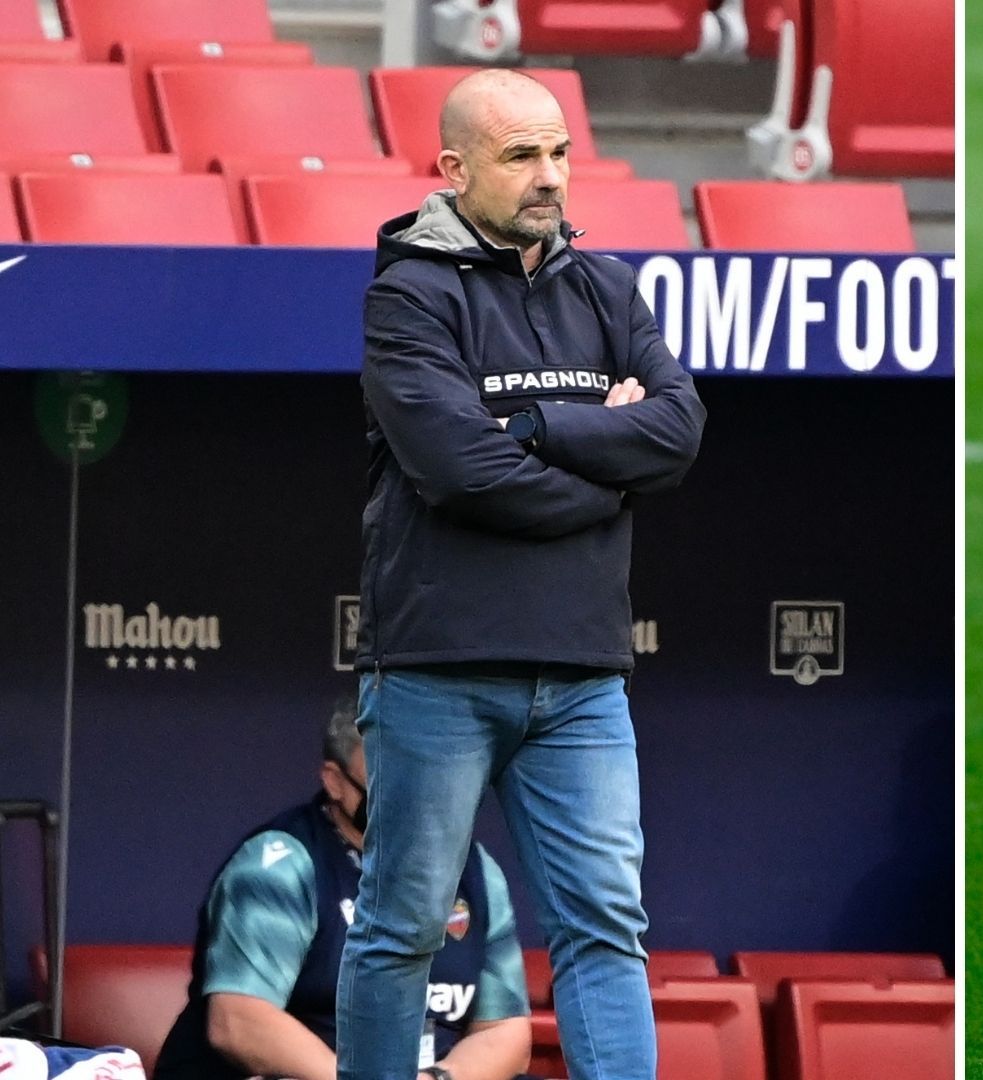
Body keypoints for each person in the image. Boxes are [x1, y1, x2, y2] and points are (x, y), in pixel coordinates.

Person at [341, 68, 705, 1080]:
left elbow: (677, 432)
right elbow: (462, 472)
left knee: (607, 928)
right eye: (521, 156)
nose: (549, 176)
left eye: (559, 152)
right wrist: (609, 472)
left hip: (583, 675)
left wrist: (538, 427)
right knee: (404, 926)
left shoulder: (609, 286)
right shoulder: (408, 295)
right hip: (438, 667)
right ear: (454, 169)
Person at [153, 702, 533, 1080]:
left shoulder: (475, 870)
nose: (413, 803)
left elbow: (506, 1031)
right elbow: (239, 1022)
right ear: (335, 782)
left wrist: (438, 1078)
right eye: (389, 788)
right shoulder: (281, 864)